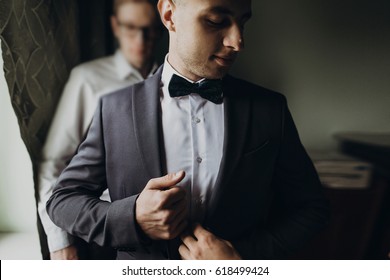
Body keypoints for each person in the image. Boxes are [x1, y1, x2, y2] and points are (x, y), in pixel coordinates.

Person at [47, 0, 329, 260]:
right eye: (217, 21)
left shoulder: (270, 110)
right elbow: (63, 201)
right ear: (169, 15)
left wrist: (240, 258)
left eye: (242, 22)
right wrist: (131, 216)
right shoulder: (113, 109)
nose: (238, 42)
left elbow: (311, 209)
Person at [38, 0, 162, 260]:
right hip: (103, 233)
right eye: (131, 27)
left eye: (149, 29)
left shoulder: (169, 80)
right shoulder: (87, 80)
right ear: (115, 26)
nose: (141, 39)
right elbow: (53, 164)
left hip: (168, 231)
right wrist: (60, 242)